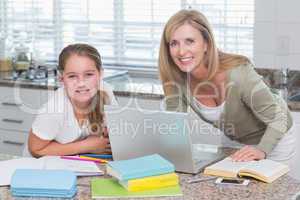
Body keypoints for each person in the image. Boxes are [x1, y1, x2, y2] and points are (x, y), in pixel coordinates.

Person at [159, 9, 296, 164]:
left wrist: (261, 150)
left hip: (274, 137)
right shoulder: (176, 80)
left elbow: (279, 119)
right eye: (174, 43)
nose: (181, 51)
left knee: (269, 188)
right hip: (234, 139)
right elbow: (174, 126)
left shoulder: (238, 74)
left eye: (190, 41)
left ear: (206, 44)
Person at [26, 43, 117, 157]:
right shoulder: (54, 110)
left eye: (88, 74)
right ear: (62, 79)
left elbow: (112, 129)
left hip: (81, 162)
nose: (81, 83)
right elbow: (36, 150)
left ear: (100, 74)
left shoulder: (105, 91)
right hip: (42, 166)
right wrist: (87, 146)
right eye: (72, 76)